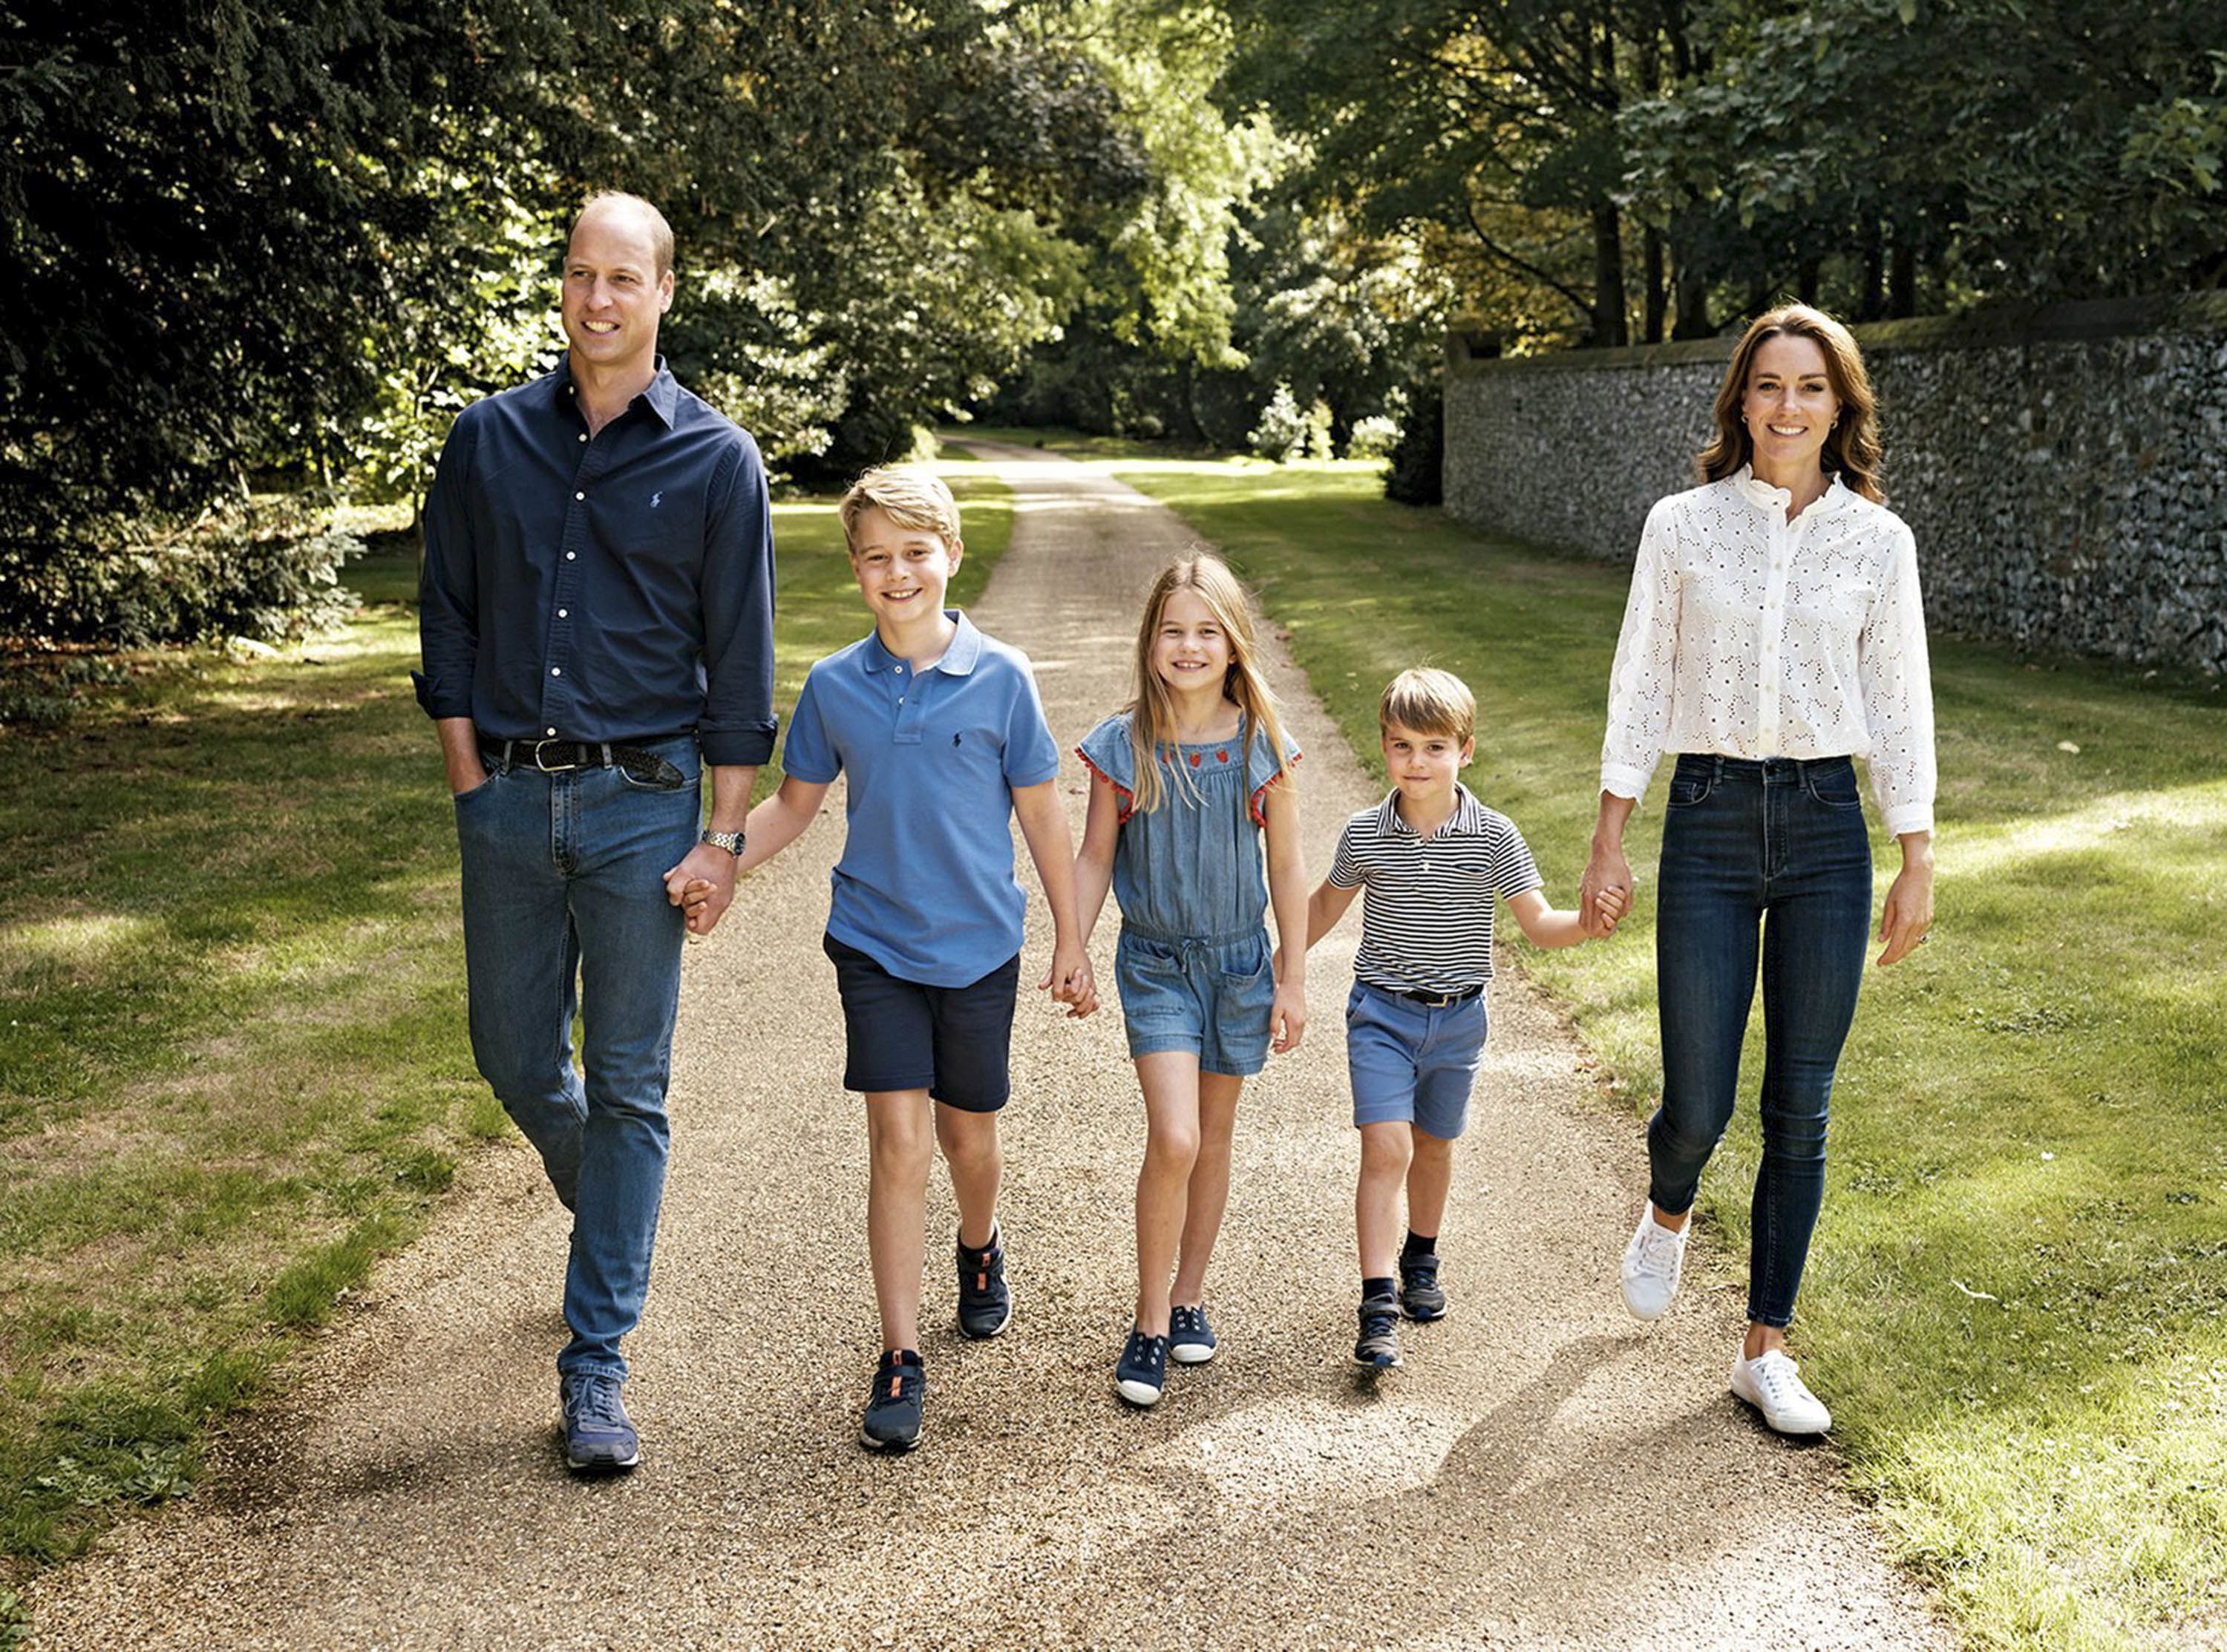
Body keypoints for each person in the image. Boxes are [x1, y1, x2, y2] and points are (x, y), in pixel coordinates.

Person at [413, 192, 776, 1473]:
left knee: (630, 1084)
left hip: (643, 807)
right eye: (581, 275)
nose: (599, 299)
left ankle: (597, 1368)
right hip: (506, 799)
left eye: (625, 277)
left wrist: (723, 837)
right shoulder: (487, 440)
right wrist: (469, 777)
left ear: (665, 293)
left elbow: (741, 668)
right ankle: (606, 1212)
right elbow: (445, 620)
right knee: (514, 1056)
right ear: (562, 287)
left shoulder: (720, 461)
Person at [1580, 303, 1936, 1436]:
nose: (1790, 405)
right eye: (1770, 384)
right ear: (1741, 399)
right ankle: (1669, 1205)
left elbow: (1900, 701)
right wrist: (1608, 832)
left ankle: (1765, 1349)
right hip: (1711, 816)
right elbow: (1641, 678)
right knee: (1699, 1099)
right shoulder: (1681, 525)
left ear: (1843, 407)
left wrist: (1914, 850)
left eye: (1812, 387)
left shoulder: (1879, 542)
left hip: (1830, 825)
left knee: (1802, 1103)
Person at [704, 464, 1093, 1454]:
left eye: (915, 552)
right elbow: (796, 804)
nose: (897, 571)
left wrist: (1073, 937)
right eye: (876, 556)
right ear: (856, 570)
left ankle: (979, 1244)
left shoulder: (1003, 676)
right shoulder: (836, 685)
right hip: (874, 943)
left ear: (950, 556)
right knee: (898, 1143)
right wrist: (721, 855)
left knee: (969, 1141)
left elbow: (1044, 813)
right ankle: (898, 1352)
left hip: (977, 949)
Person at [1295, 669, 1623, 1371]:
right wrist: (1280, 968)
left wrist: (1587, 927)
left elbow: (1536, 923)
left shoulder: (1495, 836)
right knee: (1388, 1150)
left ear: (1465, 751)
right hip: (1380, 1014)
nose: (1418, 762)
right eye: (1403, 746)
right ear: (1383, 748)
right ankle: (1377, 1302)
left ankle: (1421, 1256)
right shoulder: (1364, 835)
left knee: (1435, 1147)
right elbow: (1323, 907)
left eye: (1435, 747)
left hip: (1459, 1023)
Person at [1073, 555, 1307, 1409]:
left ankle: (1190, 1294)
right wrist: (1074, 941)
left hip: (1241, 965)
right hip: (1158, 964)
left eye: (1207, 630)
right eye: (1173, 629)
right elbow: (1096, 853)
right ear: (1150, 642)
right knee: (1173, 1138)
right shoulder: (1123, 744)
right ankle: (1146, 1322)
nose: (1188, 645)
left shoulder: (1260, 744)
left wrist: (1292, 976)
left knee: (1212, 1137)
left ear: (1234, 644)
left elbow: (1286, 864)